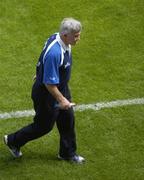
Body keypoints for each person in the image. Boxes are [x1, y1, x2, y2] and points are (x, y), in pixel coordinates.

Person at [4, 17, 85, 163]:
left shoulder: (58, 37)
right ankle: (13, 140)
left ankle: (67, 153)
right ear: (66, 35)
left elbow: (42, 58)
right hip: (46, 94)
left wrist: (41, 71)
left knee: (67, 119)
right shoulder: (55, 52)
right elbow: (49, 84)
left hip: (60, 87)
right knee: (43, 126)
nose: (78, 38)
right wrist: (62, 100)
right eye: (76, 35)